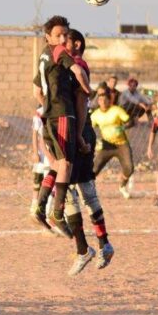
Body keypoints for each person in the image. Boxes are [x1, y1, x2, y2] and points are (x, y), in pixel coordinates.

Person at [31, 15, 91, 244]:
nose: (64, 38)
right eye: (59, 35)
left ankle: (40, 207)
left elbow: (36, 90)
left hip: (48, 116)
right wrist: (88, 89)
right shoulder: (59, 52)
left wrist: (47, 103)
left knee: (57, 165)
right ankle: (57, 214)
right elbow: (77, 71)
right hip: (63, 115)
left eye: (66, 34)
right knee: (66, 165)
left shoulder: (44, 55)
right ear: (49, 37)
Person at [64, 29, 114, 273]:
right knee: (84, 190)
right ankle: (103, 243)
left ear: (76, 44)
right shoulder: (68, 64)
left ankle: (83, 249)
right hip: (79, 132)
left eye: (66, 40)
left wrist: (80, 134)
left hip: (78, 133)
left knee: (67, 190)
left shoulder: (76, 65)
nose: (62, 44)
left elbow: (83, 99)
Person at [91, 93, 134, 199]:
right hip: (107, 146)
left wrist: (122, 128)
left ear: (109, 101)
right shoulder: (95, 115)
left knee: (129, 168)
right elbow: (88, 128)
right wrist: (95, 141)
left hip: (121, 144)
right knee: (94, 170)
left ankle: (122, 186)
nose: (103, 102)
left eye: (105, 100)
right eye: (100, 100)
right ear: (98, 102)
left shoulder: (116, 110)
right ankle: (88, 192)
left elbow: (130, 122)